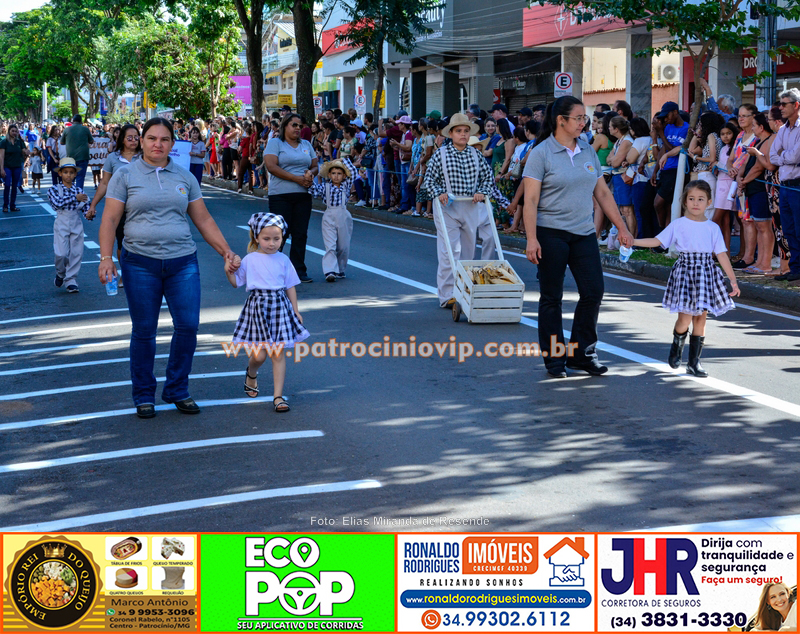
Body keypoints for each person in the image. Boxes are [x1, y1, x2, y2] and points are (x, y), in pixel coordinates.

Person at [97, 117, 240, 419]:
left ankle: (177, 388)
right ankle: (144, 395)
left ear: (173, 144)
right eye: (151, 138)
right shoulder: (125, 175)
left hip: (182, 261)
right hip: (139, 263)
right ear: (141, 141)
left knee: (188, 327)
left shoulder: (185, 176)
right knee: (145, 331)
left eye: (164, 139)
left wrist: (226, 251)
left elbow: (203, 219)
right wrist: (106, 257)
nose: (157, 144)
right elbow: (109, 220)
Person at [522, 96, 634, 378]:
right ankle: (555, 359)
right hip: (550, 233)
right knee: (552, 297)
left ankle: (582, 354)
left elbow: (603, 193)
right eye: (579, 118)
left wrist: (621, 227)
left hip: (583, 233)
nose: (584, 123)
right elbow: (531, 201)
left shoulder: (586, 149)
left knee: (594, 291)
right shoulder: (541, 153)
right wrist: (532, 239)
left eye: (584, 118)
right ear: (561, 121)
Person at [633, 181, 739, 377]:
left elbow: (722, 254)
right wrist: (633, 241)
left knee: (701, 319)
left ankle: (694, 363)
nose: (695, 203)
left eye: (700, 199)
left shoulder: (712, 228)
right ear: (684, 202)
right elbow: (658, 241)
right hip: (686, 272)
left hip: (707, 273)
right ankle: (676, 349)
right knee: (685, 317)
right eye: (691, 199)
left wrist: (732, 280)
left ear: (709, 202)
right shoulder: (678, 224)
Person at [225, 212, 308, 413]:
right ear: (256, 237)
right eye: (266, 239)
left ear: (282, 238)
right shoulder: (250, 259)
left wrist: (295, 311)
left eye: (276, 239)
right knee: (260, 356)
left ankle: (278, 397)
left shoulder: (284, 260)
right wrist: (228, 270)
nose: (272, 243)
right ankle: (251, 373)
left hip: (280, 307)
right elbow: (237, 283)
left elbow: (290, 286)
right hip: (257, 308)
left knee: (278, 353)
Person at [423, 112, 495, 308]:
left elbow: (488, 178)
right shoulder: (441, 154)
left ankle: (464, 291)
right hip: (448, 207)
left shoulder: (475, 154)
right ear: (451, 134)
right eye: (458, 131)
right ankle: (447, 296)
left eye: (466, 131)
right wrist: (440, 192)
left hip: (470, 206)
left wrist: (481, 191)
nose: (463, 134)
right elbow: (429, 181)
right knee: (449, 252)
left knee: (468, 253)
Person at [265, 113, 318, 283]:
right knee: (280, 233)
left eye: (300, 126)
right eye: (294, 125)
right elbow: (271, 166)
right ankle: (274, 270)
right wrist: (295, 178)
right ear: (285, 126)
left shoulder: (306, 144)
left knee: (300, 233)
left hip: (302, 195)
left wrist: (310, 173)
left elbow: (315, 165)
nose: (297, 128)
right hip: (280, 195)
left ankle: (298, 271)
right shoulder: (275, 143)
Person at [88, 123, 142, 283]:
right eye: (129, 138)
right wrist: (93, 205)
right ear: (122, 139)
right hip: (120, 207)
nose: (133, 141)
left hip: (141, 207)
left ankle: (141, 273)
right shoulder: (113, 158)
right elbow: (104, 183)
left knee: (142, 241)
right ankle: (125, 273)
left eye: (136, 137)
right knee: (122, 242)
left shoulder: (145, 156)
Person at [737, 112, 775, 274]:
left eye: (754, 125)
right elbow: (746, 163)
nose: (752, 128)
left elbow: (759, 167)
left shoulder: (768, 140)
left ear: (761, 127)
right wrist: (741, 178)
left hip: (760, 189)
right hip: (752, 188)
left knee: (764, 226)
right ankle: (759, 262)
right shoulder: (758, 142)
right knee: (759, 226)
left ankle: (765, 263)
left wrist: (744, 181)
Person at [769, 88, 800, 282]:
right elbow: (772, 155)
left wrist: (784, 157)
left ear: (796, 105)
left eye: (784, 104)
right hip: (785, 184)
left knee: (798, 228)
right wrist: (787, 158)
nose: (780, 108)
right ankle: (795, 267)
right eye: (780, 104)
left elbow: (797, 155)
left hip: (797, 185)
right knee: (788, 229)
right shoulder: (782, 130)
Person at [50, 157, 93, 293]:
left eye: (71, 172)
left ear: (75, 174)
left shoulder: (79, 190)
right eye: (66, 172)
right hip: (62, 222)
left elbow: (85, 205)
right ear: (60, 173)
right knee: (61, 253)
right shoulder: (54, 189)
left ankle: (71, 280)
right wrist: (75, 198)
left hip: (76, 222)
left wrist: (89, 213)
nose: (68, 175)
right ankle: (60, 273)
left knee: (76, 252)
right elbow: (57, 203)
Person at [309, 158, 356, 282]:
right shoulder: (325, 186)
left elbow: (353, 172)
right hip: (329, 214)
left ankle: (340, 269)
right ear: (329, 175)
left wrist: (343, 160)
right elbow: (314, 191)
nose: (336, 176)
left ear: (344, 175)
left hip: (343, 214)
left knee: (343, 246)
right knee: (330, 245)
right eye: (333, 173)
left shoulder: (346, 185)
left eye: (339, 173)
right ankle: (330, 270)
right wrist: (309, 179)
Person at [728, 103, 760, 266]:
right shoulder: (740, 135)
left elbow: (751, 161)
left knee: (750, 220)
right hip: (738, 182)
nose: (740, 118)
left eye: (744, 115)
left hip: (750, 182)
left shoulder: (757, 137)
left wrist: (741, 176)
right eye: (739, 115)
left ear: (753, 117)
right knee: (743, 219)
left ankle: (749, 257)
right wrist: (731, 169)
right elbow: (731, 159)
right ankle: (746, 255)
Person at [653, 101, 689, 229]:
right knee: (668, 206)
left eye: (667, 115)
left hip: (676, 170)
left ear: (675, 112)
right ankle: (666, 236)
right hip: (665, 170)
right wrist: (655, 171)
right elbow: (664, 150)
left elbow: (675, 151)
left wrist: (661, 134)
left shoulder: (687, 129)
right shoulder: (668, 128)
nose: (666, 119)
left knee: (658, 203)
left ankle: (663, 229)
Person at [712, 121, 740, 251]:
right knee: (725, 221)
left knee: (716, 219)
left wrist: (718, 164)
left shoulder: (735, 148)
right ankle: (725, 251)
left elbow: (732, 168)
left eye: (728, 133)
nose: (725, 136)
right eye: (722, 134)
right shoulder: (723, 148)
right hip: (720, 182)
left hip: (729, 185)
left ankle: (711, 250)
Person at [608, 116, 636, 237]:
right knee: (622, 210)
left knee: (627, 209)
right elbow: (608, 158)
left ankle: (632, 239)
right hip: (617, 176)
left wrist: (613, 159)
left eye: (610, 126)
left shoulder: (626, 141)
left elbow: (614, 162)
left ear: (616, 129)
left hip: (624, 177)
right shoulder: (619, 141)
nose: (608, 128)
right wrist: (613, 159)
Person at [60, 115, 94, 189]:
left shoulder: (67, 129)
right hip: (83, 156)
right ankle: (79, 194)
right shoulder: (85, 129)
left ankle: (70, 193)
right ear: (81, 121)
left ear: (72, 121)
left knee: (70, 177)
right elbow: (91, 141)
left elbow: (61, 142)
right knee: (80, 177)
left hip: (71, 157)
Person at [0, 124, 28, 212]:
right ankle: (5, 205)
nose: (14, 133)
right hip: (7, 166)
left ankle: (12, 205)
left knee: (14, 186)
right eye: (12, 131)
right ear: (9, 131)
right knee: (7, 185)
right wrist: (1, 169)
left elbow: (24, 151)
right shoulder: (4, 142)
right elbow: (1, 156)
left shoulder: (19, 141)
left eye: (16, 131)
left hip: (17, 166)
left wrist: (27, 152)